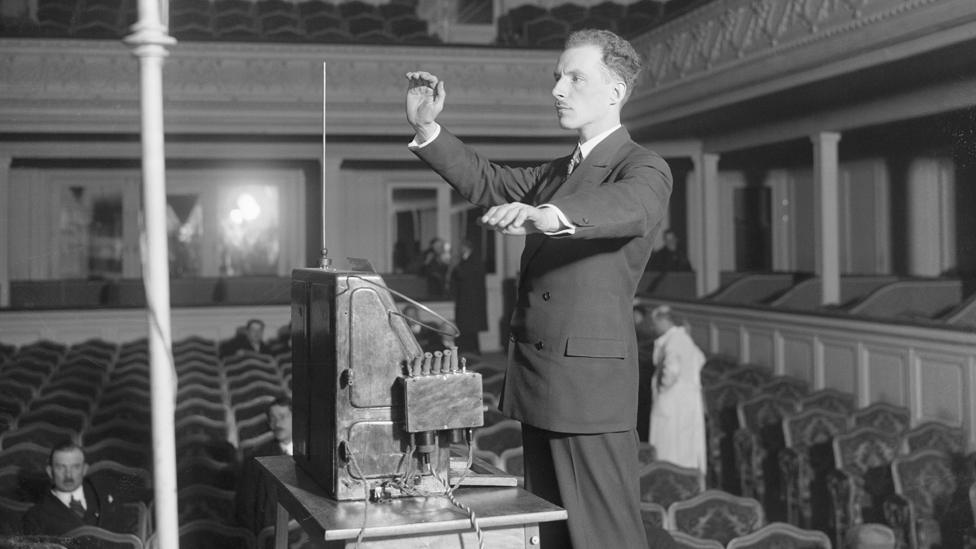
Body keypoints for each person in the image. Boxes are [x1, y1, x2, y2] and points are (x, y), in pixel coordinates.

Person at [406, 28, 674, 549]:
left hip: (589, 394)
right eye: (557, 77)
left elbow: (630, 207)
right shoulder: (556, 172)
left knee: (604, 539)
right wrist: (429, 129)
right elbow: (484, 180)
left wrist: (548, 216)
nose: (558, 89)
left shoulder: (642, 166)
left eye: (576, 77)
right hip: (539, 384)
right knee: (551, 537)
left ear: (616, 91)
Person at [22, 442, 134, 535]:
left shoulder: (104, 494)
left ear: (85, 469)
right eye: (61, 467)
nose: (68, 475)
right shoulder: (35, 516)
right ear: (50, 471)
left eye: (75, 467)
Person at [648, 305, 707, 472]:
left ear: (664, 320)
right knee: (684, 441)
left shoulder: (674, 340)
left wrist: (662, 388)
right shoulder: (683, 338)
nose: (654, 327)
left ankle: (670, 475)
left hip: (674, 400)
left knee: (671, 441)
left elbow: (671, 371)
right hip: (686, 400)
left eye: (656, 322)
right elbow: (700, 358)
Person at [235, 395, 292, 532]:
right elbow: (245, 512)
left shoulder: (313, 454)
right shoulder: (256, 460)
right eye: (272, 418)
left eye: (282, 416)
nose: (277, 423)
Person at [450, 239, 487, 355]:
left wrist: (454, 267)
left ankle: (471, 351)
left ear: (466, 248)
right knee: (467, 327)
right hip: (466, 299)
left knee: (469, 327)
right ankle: (469, 350)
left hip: (471, 300)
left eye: (461, 247)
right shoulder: (467, 260)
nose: (459, 250)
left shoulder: (474, 261)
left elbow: (462, 274)